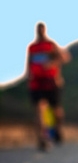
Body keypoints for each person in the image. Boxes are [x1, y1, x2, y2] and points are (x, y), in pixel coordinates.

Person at [26, 22, 71, 150]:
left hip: (51, 81)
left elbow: (65, 58)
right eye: (38, 30)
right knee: (40, 109)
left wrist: (52, 64)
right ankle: (42, 138)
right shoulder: (32, 47)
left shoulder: (51, 45)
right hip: (37, 82)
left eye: (42, 30)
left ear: (45, 30)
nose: (40, 32)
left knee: (56, 110)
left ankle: (57, 129)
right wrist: (28, 78)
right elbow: (29, 63)